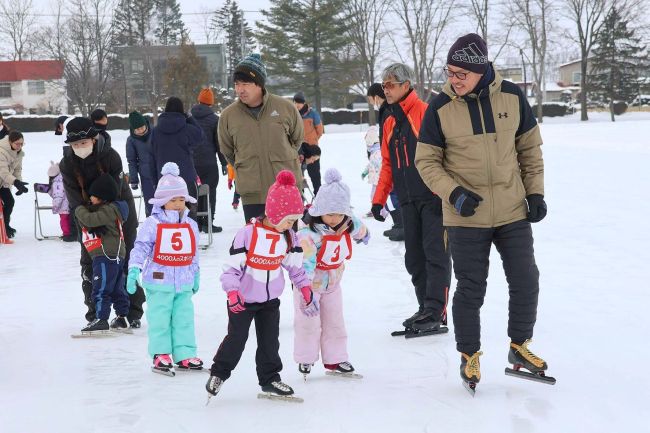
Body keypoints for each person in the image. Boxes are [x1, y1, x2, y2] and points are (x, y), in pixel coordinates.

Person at [415, 33, 550, 389]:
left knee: (526, 279)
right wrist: (454, 193)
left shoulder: (512, 96)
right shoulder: (440, 106)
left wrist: (534, 193)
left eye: (461, 73)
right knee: (471, 289)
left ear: (482, 70)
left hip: (511, 210)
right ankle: (469, 356)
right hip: (466, 216)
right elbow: (426, 162)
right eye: (450, 71)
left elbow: (530, 150)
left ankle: (519, 347)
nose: (453, 79)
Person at [205, 170, 315, 400]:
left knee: (269, 343)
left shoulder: (288, 237)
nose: (291, 225)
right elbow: (231, 270)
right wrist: (233, 293)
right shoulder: (248, 234)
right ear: (274, 214)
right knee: (237, 340)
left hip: (270, 301)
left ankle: (270, 379)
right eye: (288, 220)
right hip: (242, 300)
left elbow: (295, 268)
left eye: (294, 220)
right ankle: (219, 373)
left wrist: (305, 288)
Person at [371, 63, 452, 334]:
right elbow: (387, 163)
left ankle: (436, 310)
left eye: (392, 84)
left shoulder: (424, 113)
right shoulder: (390, 120)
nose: (387, 89)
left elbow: (444, 155)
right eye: (384, 85)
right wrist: (379, 199)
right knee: (414, 258)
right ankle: (424, 307)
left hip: (433, 199)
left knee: (435, 255)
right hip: (407, 200)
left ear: (407, 85)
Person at [59, 117, 145, 328]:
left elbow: (115, 191)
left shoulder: (110, 156)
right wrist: (88, 221)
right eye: (76, 145)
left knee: (123, 260)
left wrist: (103, 218)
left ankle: (130, 312)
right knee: (91, 263)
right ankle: (96, 313)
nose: (80, 147)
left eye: (84, 143)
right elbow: (74, 198)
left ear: (94, 140)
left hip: (118, 211)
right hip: (85, 216)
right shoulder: (67, 163)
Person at [126, 162, 203, 375]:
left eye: (181, 199)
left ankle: (185, 353)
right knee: (160, 320)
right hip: (159, 282)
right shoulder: (153, 224)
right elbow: (140, 247)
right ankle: (160, 354)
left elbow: (194, 252)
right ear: (162, 201)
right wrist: (134, 269)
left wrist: (196, 274)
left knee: (184, 319)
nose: (178, 204)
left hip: (184, 283)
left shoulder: (190, 225)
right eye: (173, 200)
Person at [295, 168, 369, 378]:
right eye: (330, 214)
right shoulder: (308, 234)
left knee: (335, 322)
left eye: (339, 213)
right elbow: (305, 264)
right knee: (308, 324)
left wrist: (364, 234)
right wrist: (306, 293)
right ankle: (306, 358)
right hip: (309, 287)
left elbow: (357, 226)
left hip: (333, 284)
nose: (335, 219)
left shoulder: (346, 221)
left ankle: (336, 358)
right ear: (319, 211)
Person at [218, 53, 304, 222]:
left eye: (245, 84)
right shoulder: (228, 115)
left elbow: (297, 139)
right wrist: (248, 165)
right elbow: (228, 151)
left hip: (285, 188)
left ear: (259, 84)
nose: (239, 89)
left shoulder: (285, 107)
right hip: (252, 192)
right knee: (257, 244)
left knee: (287, 243)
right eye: (236, 84)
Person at [74, 174, 130, 333]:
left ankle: (101, 318)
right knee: (117, 288)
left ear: (102, 196)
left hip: (106, 254)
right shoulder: (113, 209)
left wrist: (78, 209)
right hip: (115, 255)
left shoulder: (109, 210)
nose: (90, 198)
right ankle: (122, 317)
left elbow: (90, 220)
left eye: (93, 195)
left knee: (101, 287)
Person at [152, 97, 204, 217]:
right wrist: (190, 118)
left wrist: (155, 180)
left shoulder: (155, 131)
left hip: (164, 180)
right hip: (186, 178)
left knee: (165, 216)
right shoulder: (186, 128)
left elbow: (152, 157)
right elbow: (200, 136)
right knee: (189, 214)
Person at [366, 83, 403, 241]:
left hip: (394, 158)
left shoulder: (388, 110)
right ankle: (399, 224)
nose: (371, 103)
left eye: (370, 99)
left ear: (375, 96)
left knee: (395, 192)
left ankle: (403, 225)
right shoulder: (386, 109)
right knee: (392, 192)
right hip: (389, 157)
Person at [191, 87, 228, 233]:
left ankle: (195, 221)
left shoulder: (189, 117)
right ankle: (208, 222)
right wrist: (224, 163)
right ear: (211, 103)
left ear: (198, 100)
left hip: (191, 162)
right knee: (210, 191)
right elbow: (219, 144)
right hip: (209, 163)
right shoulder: (214, 119)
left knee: (194, 191)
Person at [125, 110, 156, 217]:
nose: (141, 130)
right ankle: (152, 224)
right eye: (137, 129)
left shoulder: (155, 133)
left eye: (142, 127)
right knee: (150, 202)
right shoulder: (131, 140)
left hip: (161, 173)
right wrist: (133, 179)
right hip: (146, 176)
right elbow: (132, 161)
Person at [293, 92, 324, 195]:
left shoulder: (312, 113)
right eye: (295, 102)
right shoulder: (292, 114)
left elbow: (319, 130)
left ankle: (318, 196)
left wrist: (312, 140)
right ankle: (299, 198)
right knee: (298, 175)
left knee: (315, 175)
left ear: (304, 103)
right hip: (297, 150)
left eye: (299, 102)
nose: (297, 105)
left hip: (311, 149)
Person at [0, 131, 28, 238]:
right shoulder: (1, 151)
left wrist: (19, 183)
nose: (19, 146)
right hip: (3, 177)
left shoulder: (19, 153)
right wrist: (15, 182)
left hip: (4, 182)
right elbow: (3, 172)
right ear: (10, 142)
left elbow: (17, 170)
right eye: (17, 143)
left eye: (21, 144)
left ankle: (5, 226)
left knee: (9, 202)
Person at [46, 161, 75, 242]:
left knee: (64, 220)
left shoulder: (57, 182)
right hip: (70, 203)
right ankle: (72, 233)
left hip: (63, 206)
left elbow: (58, 196)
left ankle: (66, 234)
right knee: (70, 219)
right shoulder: (64, 178)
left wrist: (55, 206)